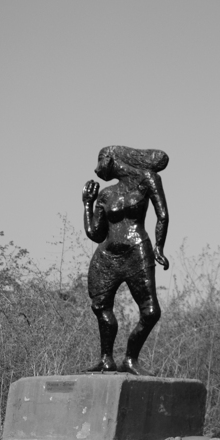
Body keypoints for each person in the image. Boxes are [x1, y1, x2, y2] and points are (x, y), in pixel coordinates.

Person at [82, 146, 170, 375]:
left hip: (136, 251)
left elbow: (162, 214)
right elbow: (96, 234)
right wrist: (87, 204)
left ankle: (130, 359)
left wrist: (159, 246)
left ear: (110, 159)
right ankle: (106, 359)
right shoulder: (106, 194)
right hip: (107, 257)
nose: (97, 168)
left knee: (151, 312)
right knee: (100, 306)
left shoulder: (147, 179)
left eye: (99, 160)